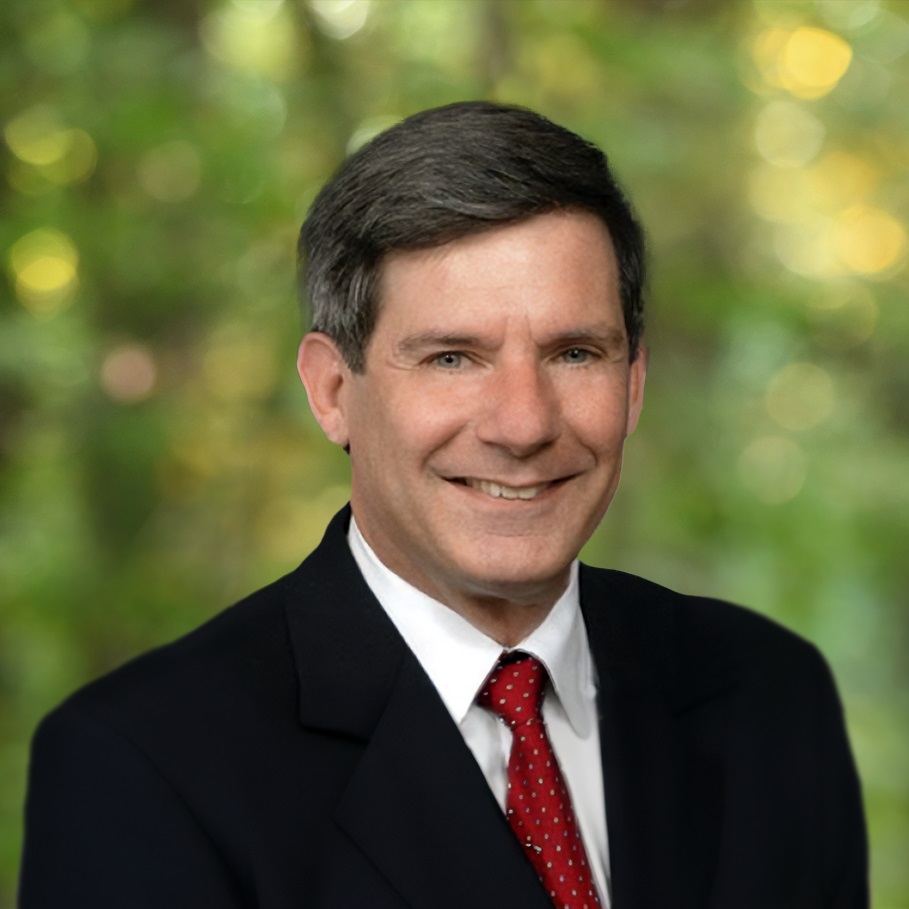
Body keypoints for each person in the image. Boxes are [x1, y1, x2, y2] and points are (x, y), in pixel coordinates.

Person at [20, 102, 867, 909]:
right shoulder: (141, 764)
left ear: (633, 382)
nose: (523, 424)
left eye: (574, 353)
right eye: (452, 358)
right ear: (331, 390)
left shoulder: (768, 699)